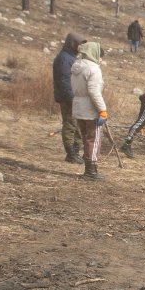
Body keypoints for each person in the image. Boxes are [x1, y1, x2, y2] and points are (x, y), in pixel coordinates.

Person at [70, 42, 108, 180]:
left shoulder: (76, 67)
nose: (101, 59)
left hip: (78, 106)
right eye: (100, 56)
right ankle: (91, 171)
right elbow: (94, 92)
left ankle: (89, 168)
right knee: (93, 139)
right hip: (90, 108)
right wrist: (102, 110)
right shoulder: (93, 69)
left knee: (86, 138)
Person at [52, 32, 87, 165]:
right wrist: (72, 98)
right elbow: (64, 80)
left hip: (73, 97)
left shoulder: (71, 57)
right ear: (73, 44)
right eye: (79, 44)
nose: (81, 48)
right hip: (68, 98)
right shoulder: (64, 59)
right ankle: (71, 154)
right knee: (70, 125)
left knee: (76, 125)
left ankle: (75, 153)